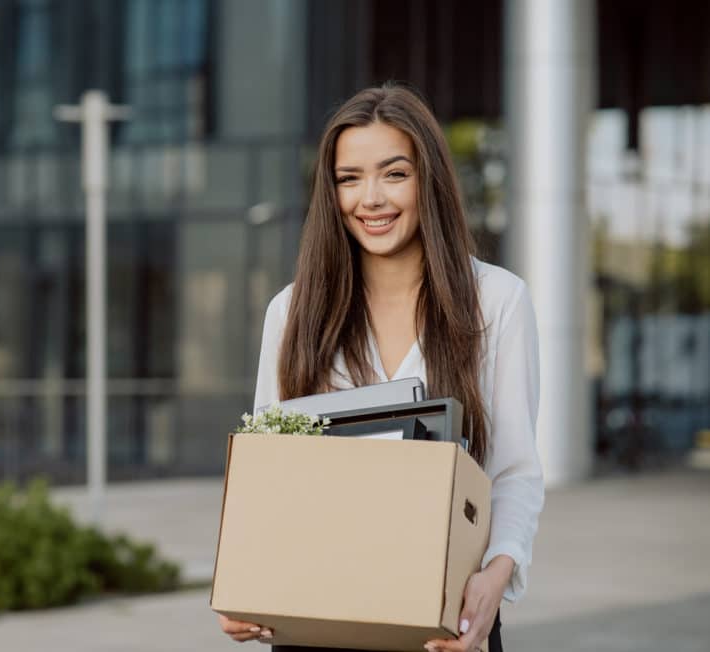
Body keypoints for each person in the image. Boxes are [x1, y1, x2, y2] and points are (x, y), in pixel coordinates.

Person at [217, 83, 544, 652]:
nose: (370, 198)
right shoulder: (293, 312)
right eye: (349, 179)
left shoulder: (497, 301)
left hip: (442, 627)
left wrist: (495, 580)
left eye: (394, 174)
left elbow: (513, 471)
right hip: (315, 620)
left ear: (429, 180)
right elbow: (265, 473)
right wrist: (244, 585)